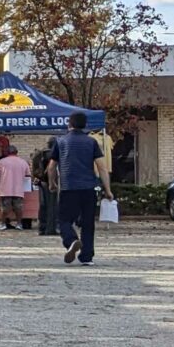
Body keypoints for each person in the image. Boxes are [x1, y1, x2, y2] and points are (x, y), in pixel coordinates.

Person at [48, 111, 112, 266]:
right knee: (88, 222)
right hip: (89, 188)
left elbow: (51, 166)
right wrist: (108, 190)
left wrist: (52, 183)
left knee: (64, 220)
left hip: (69, 187)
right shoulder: (91, 142)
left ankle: (71, 240)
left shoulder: (60, 141)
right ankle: (87, 256)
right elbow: (102, 167)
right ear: (85, 125)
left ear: (69, 124)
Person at [0, 142, 31, 231]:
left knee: (4, 208)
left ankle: (2, 224)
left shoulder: (1, 162)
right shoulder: (23, 162)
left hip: (5, 189)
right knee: (18, 208)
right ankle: (19, 224)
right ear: (16, 152)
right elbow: (28, 174)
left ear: (7, 152)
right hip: (19, 189)